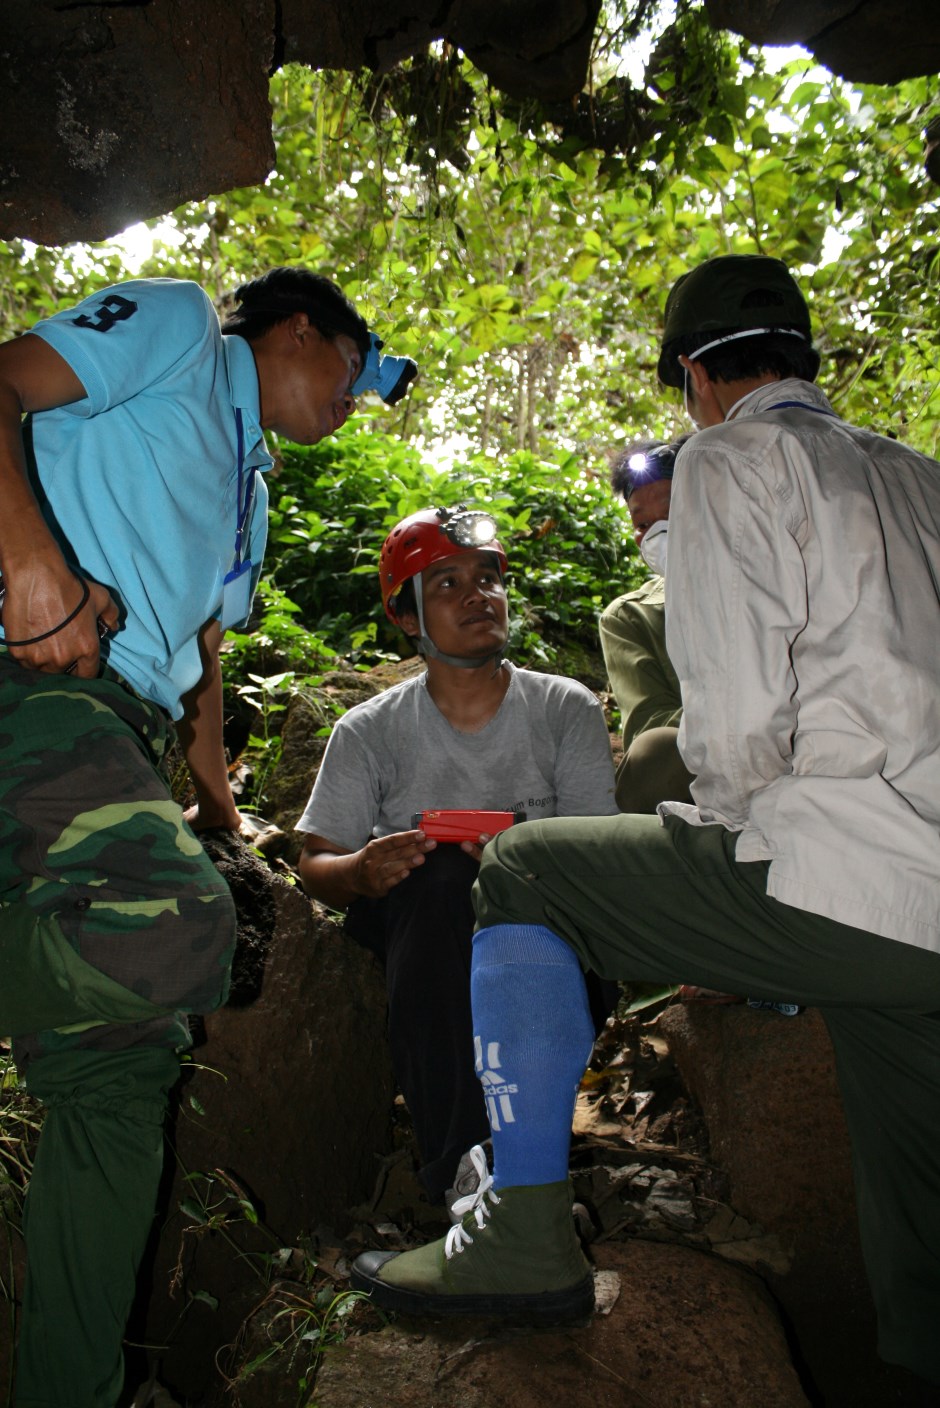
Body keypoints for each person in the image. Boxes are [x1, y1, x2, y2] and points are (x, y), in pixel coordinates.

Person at [349, 254, 940, 1389]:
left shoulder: (733, 455)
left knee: (523, 870)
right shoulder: (918, 476)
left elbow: (735, 734)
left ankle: (518, 1232)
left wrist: (732, 888)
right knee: (919, 1220)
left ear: (692, 381)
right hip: (921, 912)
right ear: (802, 358)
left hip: (836, 875)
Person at [0, 265, 414, 1406]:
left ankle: (67, 1390)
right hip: (34, 676)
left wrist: (219, 804)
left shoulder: (250, 484)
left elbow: (202, 660)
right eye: (352, 364)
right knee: (181, 934)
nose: (354, 397)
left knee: (122, 1066)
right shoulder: (180, 330)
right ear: (294, 326)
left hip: (114, 727)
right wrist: (31, 567)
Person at [296, 505, 618, 1205]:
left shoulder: (565, 709)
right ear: (407, 618)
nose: (479, 596)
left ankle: (512, 1170)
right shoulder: (370, 732)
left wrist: (519, 860)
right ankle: (468, 1176)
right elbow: (316, 862)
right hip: (427, 944)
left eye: (487, 578)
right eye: (446, 584)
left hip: (551, 935)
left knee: (502, 891)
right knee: (440, 881)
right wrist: (359, 870)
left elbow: (602, 857)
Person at [599, 436, 694, 813]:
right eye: (643, 524)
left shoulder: (781, 584)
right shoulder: (630, 618)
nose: (658, 534)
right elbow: (650, 724)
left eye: (673, 513)